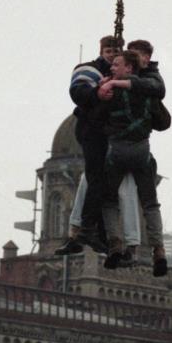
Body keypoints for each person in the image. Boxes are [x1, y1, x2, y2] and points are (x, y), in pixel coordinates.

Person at [95, 50, 167, 276]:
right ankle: (159, 250)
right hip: (141, 152)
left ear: (129, 67)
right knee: (150, 203)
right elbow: (163, 120)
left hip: (117, 152)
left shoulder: (111, 92)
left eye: (116, 64)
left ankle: (115, 244)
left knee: (109, 200)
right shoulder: (148, 90)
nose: (112, 67)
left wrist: (103, 90)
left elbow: (96, 117)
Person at [54, 35, 123, 256]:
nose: (112, 54)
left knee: (104, 185)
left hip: (112, 136)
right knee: (95, 180)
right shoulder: (89, 70)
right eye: (108, 51)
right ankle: (87, 232)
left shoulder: (123, 74)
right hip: (92, 132)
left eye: (116, 51)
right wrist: (97, 92)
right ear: (102, 51)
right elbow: (78, 91)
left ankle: (96, 234)